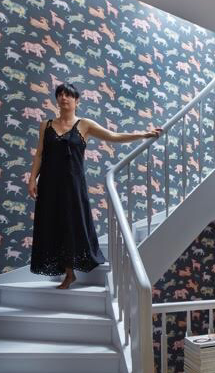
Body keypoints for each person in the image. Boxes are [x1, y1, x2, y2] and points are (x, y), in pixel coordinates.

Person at [28, 83, 163, 289]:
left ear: (76, 100)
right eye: (60, 94)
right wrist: (32, 179)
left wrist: (143, 134)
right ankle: (67, 272)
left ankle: (70, 274)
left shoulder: (85, 125)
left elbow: (113, 136)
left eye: (68, 95)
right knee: (52, 224)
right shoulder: (45, 125)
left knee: (71, 224)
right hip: (48, 184)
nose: (64, 98)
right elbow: (39, 154)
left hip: (72, 185)